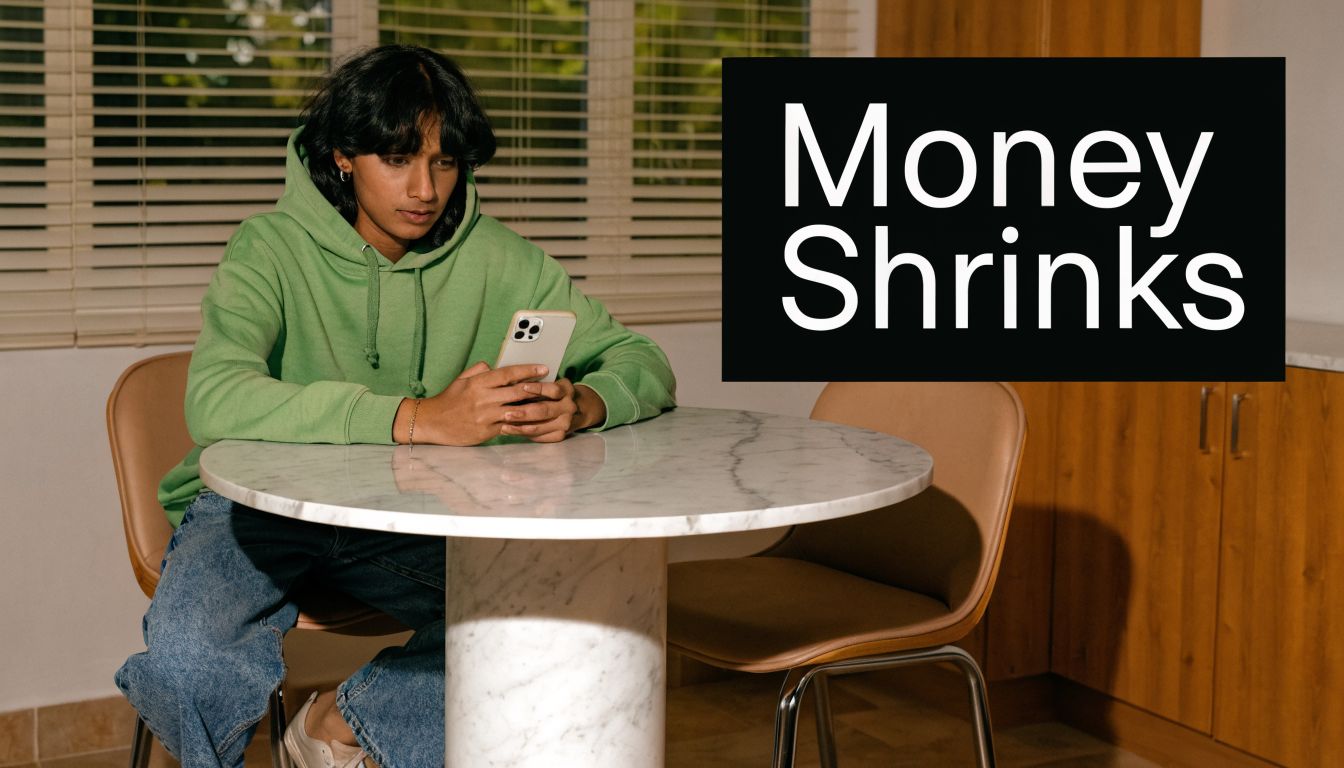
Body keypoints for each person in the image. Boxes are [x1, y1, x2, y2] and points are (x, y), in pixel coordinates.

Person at [115, 44, 677, 768]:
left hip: (411, 519)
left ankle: (337, 725)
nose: (424, 188)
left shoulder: (505, 260)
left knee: (555, 628)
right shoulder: (269, 249)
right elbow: (216, 398)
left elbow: (644, 361)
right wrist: (418, 418)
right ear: (343, 156)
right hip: (258, 512)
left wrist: (587, 401)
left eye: (444, 162)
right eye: (398, 158)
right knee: (187, 665)